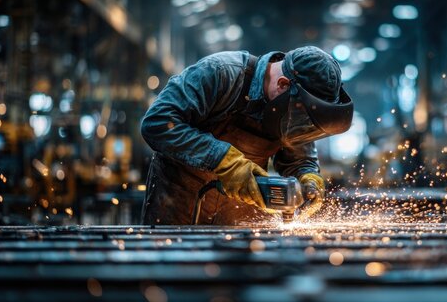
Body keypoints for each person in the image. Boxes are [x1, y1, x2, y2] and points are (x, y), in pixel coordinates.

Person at [140, 46, 353, 225]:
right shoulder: (220, 73)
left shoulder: (294, 108)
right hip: (178, 203)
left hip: (241, 216)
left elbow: (299, 160)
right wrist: (225, 161)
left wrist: (308, 178)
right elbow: (157, 123)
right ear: (283, 85)